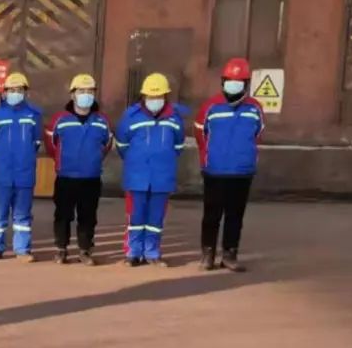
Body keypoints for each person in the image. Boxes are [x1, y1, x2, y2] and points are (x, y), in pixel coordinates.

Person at [194, 57, 265, 272]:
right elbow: (200, 134)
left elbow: (258, 134)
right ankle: (207, 254)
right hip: (215, 171)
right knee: (211, 215)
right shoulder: (211, 106)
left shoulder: (255, 108)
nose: (233, 85)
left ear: (246, 84)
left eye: (238, 82)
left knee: (235, 216)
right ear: (223, 82)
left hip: (242, 172)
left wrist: (246, 156)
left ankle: (230, 254)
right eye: (230, 81)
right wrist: (209, 156)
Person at [115, 72, 186, 267]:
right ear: (144, 96)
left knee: (156, 218)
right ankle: (133, 253)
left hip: (162, 178)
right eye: (151, 96)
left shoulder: (174, 119)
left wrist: (162, 161)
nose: (155, 100)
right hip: (136, 177)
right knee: (135, 217)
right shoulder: (130, 117)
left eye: (159, 96)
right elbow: (121, 145)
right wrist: (136, 162)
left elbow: (178, 146)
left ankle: (152, 252)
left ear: (166, 96)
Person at [44, 74, 113, 266]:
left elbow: (107, 144)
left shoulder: (102, 120)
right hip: (66, 177)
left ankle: (85, 250)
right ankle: (61, 249)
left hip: (91, 178)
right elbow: (50, 144)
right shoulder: (60, 119)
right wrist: (61, 161)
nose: (86, 95)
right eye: (81, 91)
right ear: (72, 94)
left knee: (88, 216)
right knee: (63, 215)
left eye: (90, 91)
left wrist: (94, 159)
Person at [0, 73, 42, 262]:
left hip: (24, 173)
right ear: (4, 92)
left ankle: (22, 250)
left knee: (22, 215)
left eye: (19, 89)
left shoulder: (34, 115)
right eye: (11, 90)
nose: (15, 93)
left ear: (26, 92)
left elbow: (36, 142)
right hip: (1, 174)